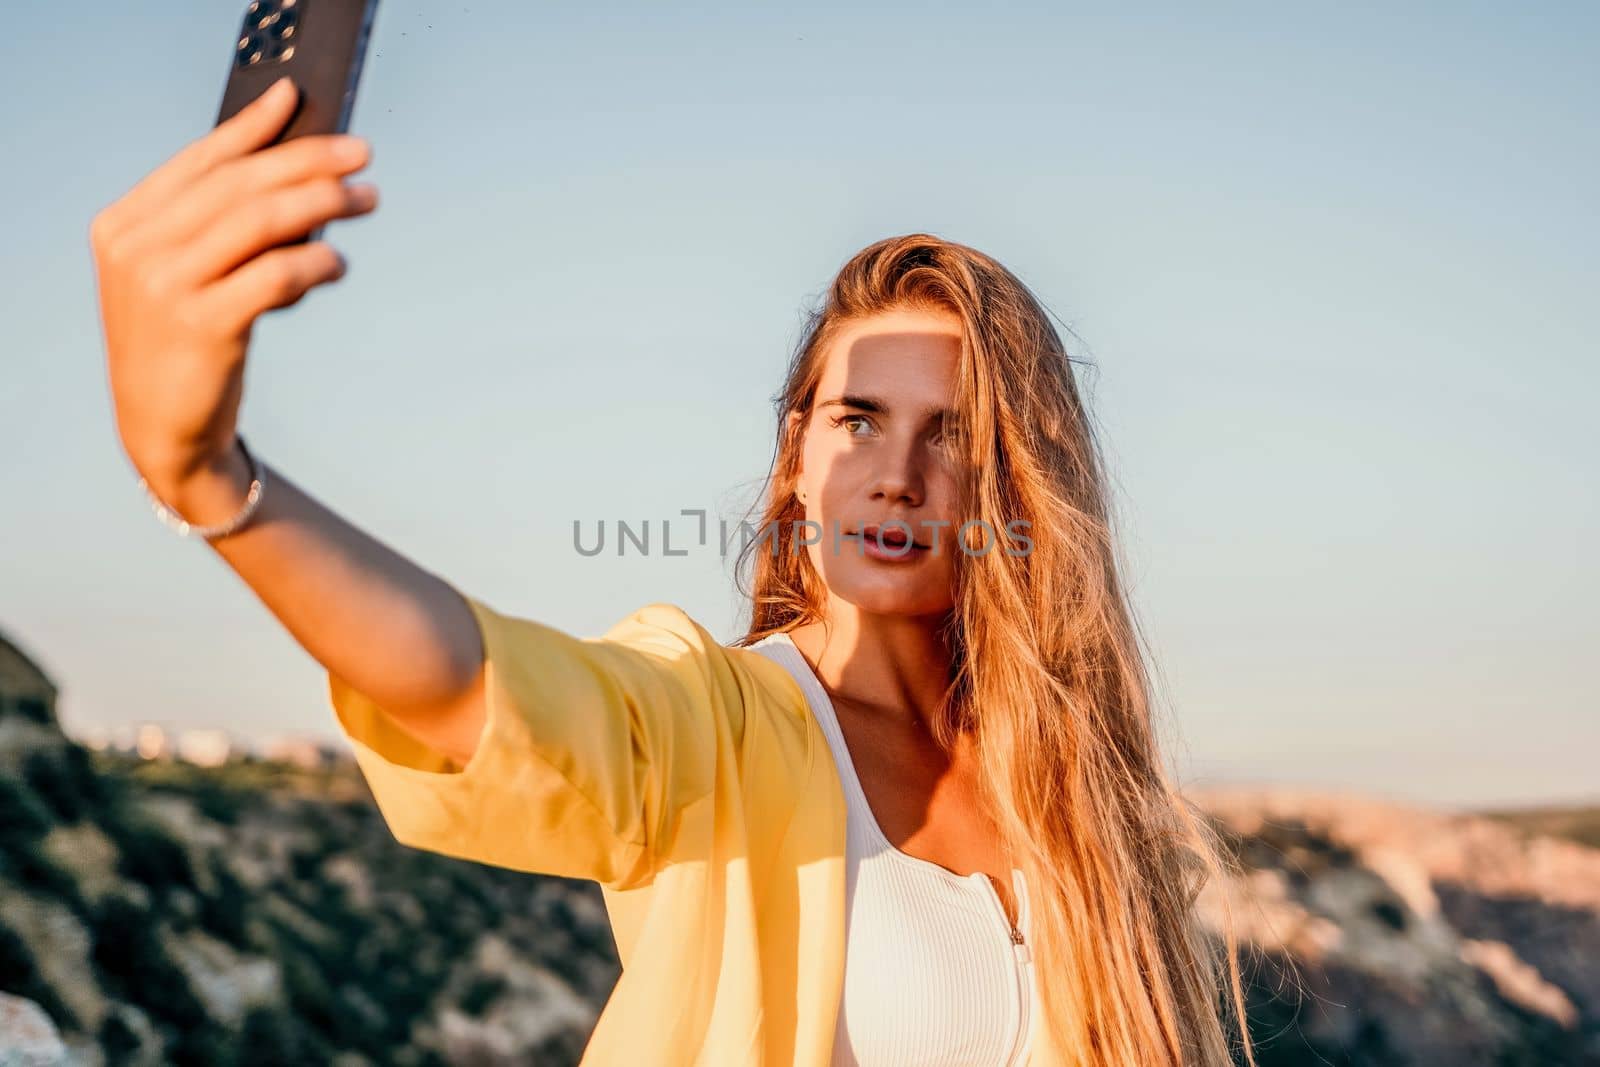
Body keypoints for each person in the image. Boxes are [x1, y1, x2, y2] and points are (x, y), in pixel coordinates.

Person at [91, 79, 1256, 1066]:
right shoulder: (716, 719)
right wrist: (208, 474)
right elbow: (468, 685)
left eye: (953, 432)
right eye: (857, 418)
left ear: (1015, 478)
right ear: (797, 457)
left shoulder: (1085, 796)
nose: (897, 473)